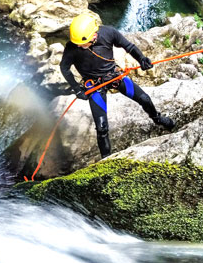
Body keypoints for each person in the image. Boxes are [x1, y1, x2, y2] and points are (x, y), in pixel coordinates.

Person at [60, 13, 175, 158]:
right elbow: (64, 68)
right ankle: (106, 160)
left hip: (114, 75)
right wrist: (77, 89)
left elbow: (129, 46)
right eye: (78, 44)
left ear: (94, 35)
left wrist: (142, 59)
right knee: (102, 129)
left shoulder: (108, 32)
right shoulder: (72, 47)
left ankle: (157, 118)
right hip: (94, 85)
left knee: (144, 99)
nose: (79, 46)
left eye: (83, 43)